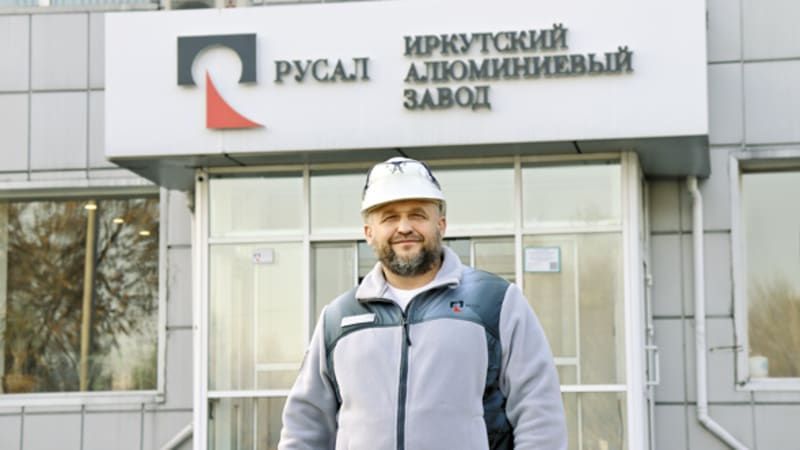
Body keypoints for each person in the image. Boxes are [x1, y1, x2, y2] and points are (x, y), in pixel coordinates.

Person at [278, 157, 567, 450]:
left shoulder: (495, 302)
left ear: (441, 225)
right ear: (369, 233)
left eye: (417, 215)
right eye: (389, 217)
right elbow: (304, 428)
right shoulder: (338, 318)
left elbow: (540, 413)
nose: (404, 227)